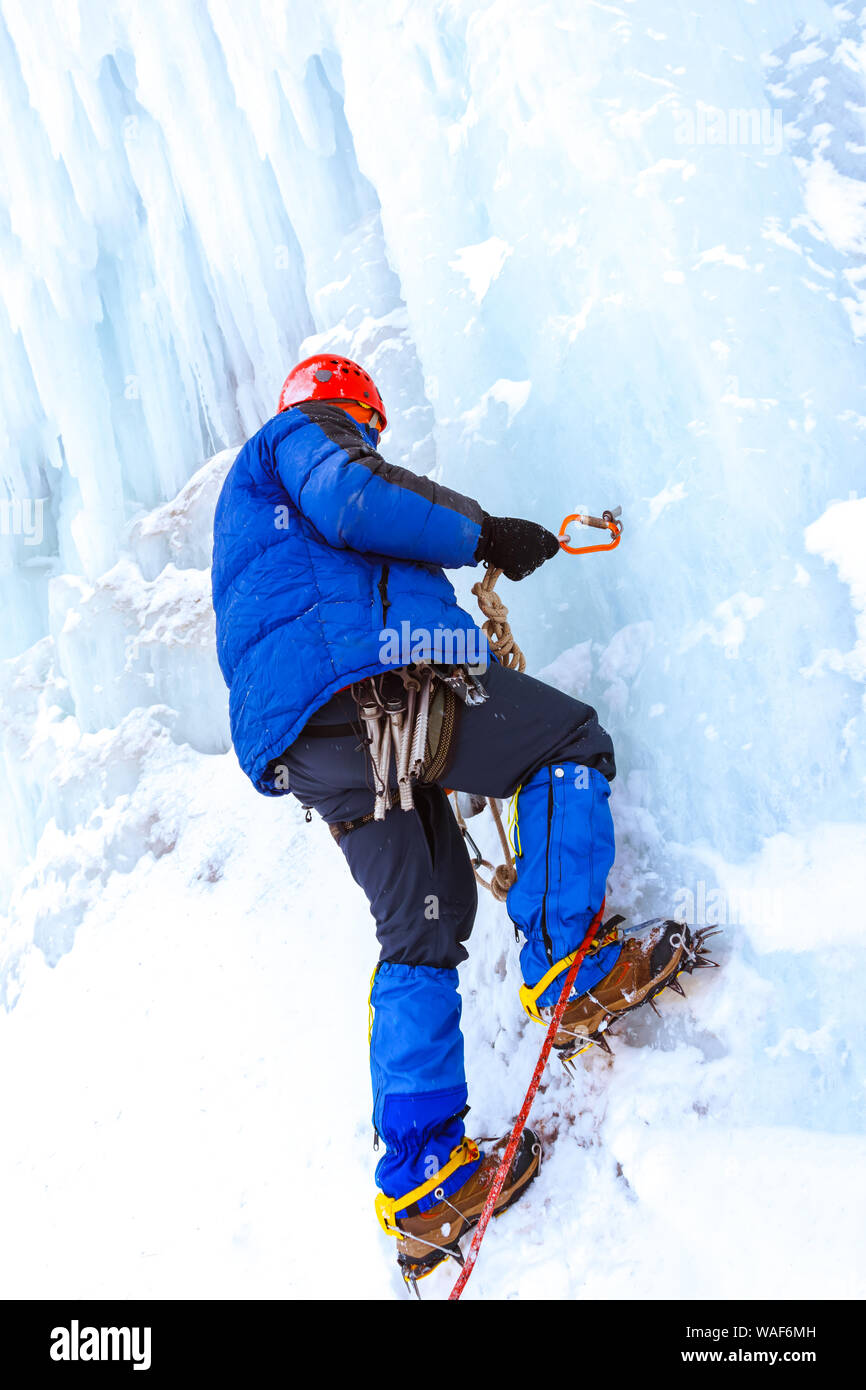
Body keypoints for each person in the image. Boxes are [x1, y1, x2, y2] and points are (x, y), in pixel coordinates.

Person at [211, 354, 700, 1287]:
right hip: (373, 684)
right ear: (349, 407)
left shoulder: (254, 529)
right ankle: (570, 964)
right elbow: (356, 500)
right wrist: (484, 534)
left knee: (424, 929)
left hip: (316, 745)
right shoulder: (297, 442)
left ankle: (424, 1180)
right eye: (367, 423)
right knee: (567, 745)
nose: (369, 438)